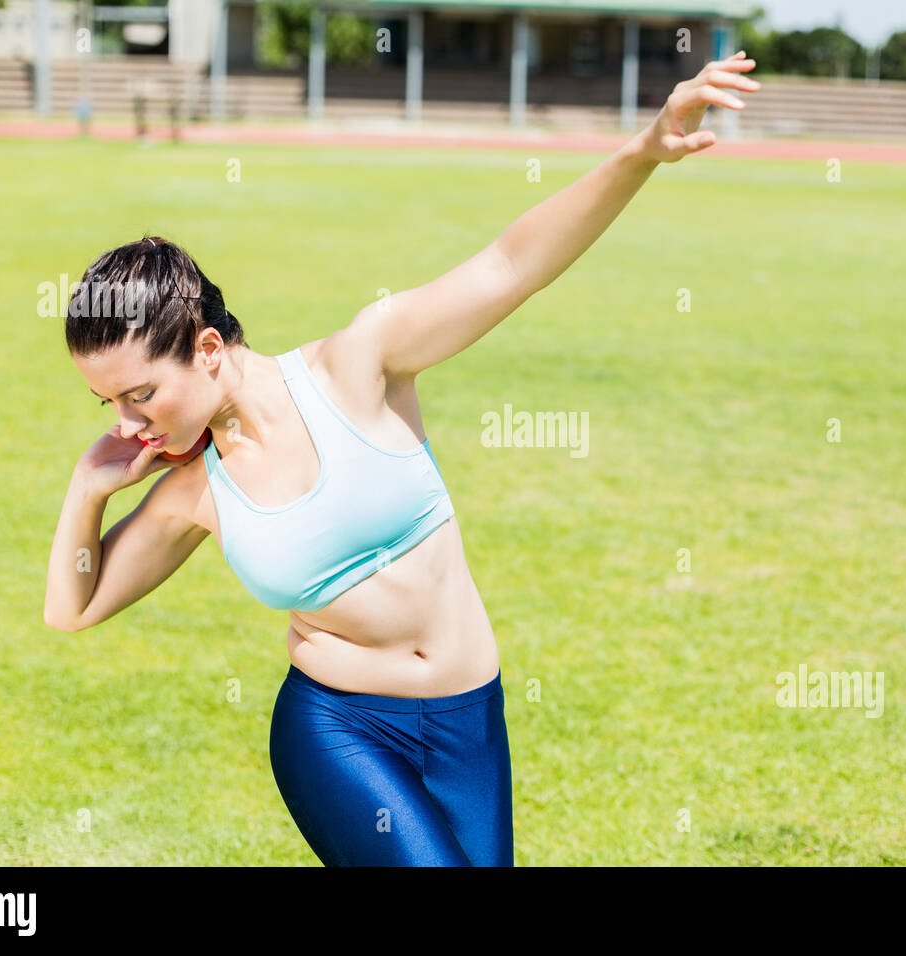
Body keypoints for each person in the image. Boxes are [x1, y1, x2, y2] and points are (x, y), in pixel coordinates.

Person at [43, 52, 759, 866]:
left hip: (470, 723)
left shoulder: (360, 363)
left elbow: (509, 266)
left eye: (141, 394)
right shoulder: (192, 492)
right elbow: (75, 607)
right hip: (337, 733)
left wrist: (642, 151)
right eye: (111, 406)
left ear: (207, 348)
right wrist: (87, 487)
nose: (130, 424)